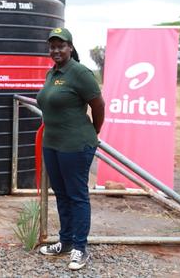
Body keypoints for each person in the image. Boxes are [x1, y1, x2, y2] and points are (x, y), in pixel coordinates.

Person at [36, 28, 105, 271]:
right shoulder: (52, 73)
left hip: (75, 145)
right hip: (53, 144)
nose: (56, 50)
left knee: (77, 196)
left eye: (61, 46)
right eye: (52, 46)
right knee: (62, 194)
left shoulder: (80, 73)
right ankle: (65, 242)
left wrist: (93, 132)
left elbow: (98, 105)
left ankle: (80, 248)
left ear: (71, 48)